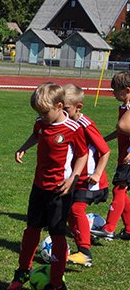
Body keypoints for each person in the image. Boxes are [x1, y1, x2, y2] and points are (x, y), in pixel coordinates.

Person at [8, 83, 88, 290]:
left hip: (59, 191)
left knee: (57, 234)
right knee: (31, 229)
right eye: (38, 113)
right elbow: (36, 135)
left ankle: (57, 285)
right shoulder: (41, 123)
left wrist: (73, 178)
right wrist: (24, 147)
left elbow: (82, 156)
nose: (41, 117)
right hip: (39, 187)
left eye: (44, 113)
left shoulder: (73, 129)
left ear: (59, 106)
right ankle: (23, 271)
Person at [62, 84, 110, 267]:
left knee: (76, 209)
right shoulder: (67, 123)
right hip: (76, 178)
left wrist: (97, 173)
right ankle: (81, 240)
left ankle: (84, 252)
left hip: (91, 180)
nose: (63, 112)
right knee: (69, 211)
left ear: (78, 107)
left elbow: (105, 151)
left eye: (66, 108)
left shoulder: (86, 125)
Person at [92, 71, 130, 241]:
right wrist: (102, 140)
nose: (113, 93)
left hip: (128, 156)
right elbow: (121, 130)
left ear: (127, 90)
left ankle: (109, 228)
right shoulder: (124, 107)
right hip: (124, 155)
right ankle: (129, 229)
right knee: (122, 190)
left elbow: (123, 126)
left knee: (119, 188)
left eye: (115, 90)